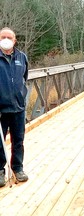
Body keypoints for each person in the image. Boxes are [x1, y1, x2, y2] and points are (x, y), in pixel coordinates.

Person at [0, 27, 29, 187]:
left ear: (14, 40)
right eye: (3, 36)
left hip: (18, 107)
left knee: (18, 140)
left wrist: (21, 95)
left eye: (9, 37)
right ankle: (0, 171)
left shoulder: (22, 57)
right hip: (1, 109)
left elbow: (25, 77)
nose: (5, 39)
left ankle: (18, 168)